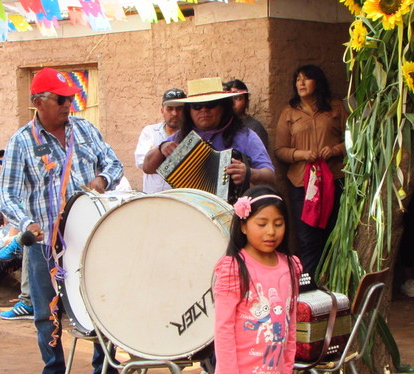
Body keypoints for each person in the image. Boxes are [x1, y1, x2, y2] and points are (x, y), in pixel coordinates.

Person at [0, 67, 123, 374]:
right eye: (61, 99)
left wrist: (103, 179)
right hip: (45, 244)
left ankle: (104, 368)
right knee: (45, 313)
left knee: (101, 303)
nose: (68, 105)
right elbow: (7, 194)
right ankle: (53, 369)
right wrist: (27, 223)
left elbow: (113, 163)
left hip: (92, 236)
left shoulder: (85, 129)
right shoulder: (21, 142)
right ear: (38, 102)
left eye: (71, 99)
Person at [213, 185, 301, 374]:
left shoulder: (290, 267)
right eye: (262, 224)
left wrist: (287, 369)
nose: (271, 231)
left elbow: (290, 326)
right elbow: (224, 329)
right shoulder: (234, 268)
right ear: (243, 226)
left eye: (278, 224)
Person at [143, 77, 276, 197]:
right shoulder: (182, 137)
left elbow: (270, 175)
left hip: (232, 215)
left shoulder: (245, 136)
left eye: (211, 105)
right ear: (189, 110)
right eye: (197, 106)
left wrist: (249, 173)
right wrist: (161, 148)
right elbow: (147, 167)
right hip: (192, 212)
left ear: (223, 107)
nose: (204, 110)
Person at [274, 65, 347, 281]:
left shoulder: (335, 107)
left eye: (306, 79)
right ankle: (309, 286)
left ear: (318, 82)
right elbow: (280, 150)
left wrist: (335, 150)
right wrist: (301, 154)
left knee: (333, 233)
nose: (301, 84)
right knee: (307, 237)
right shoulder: (289, 111)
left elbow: (353, 140)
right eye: (298, 79)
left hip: (334, 180)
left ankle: (335, 285)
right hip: (302, 184)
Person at [134, 88, 186, 193]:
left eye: (179, 109)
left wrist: (155, 157)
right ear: (162, 111)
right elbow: (141, 162)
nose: (175, 113)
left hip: (179, 201)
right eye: (170, 109)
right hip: (153, 199)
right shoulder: (150, 132)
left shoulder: (191, 135)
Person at [225, 79, 269, 149]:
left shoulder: (255, 128)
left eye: (238, 98)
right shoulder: (217, 126)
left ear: (246, 102)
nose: (232, 103)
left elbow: (260, 158)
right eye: (229, 98)